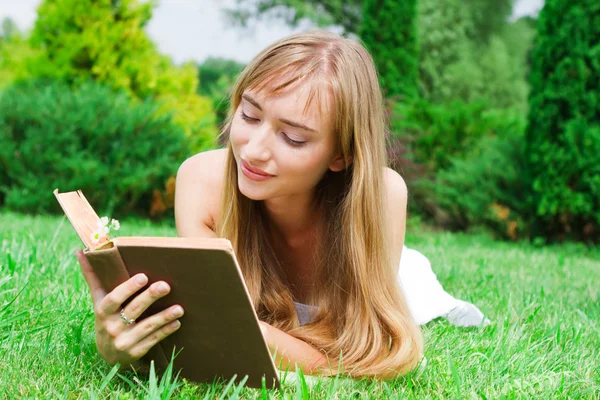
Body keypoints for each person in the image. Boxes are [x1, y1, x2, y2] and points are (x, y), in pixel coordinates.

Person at [74, 30, 487, 380]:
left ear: (341, 154)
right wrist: (125, 340)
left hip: (396, 270)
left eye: (293, 138)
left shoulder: (381, 195)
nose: (252, 151)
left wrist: (237, 330)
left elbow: (370, 355)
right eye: (249, 116)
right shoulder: (202, 179)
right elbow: (211, 332)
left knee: (421, 296)